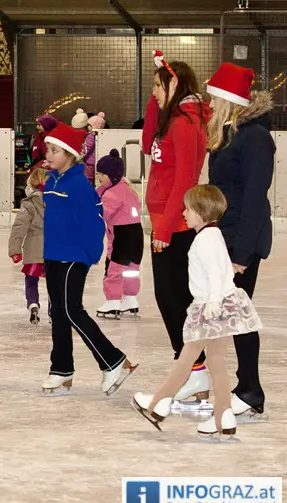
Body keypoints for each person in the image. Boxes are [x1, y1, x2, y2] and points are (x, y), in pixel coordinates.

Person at [132, 185, 262, 439]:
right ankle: (223, 415)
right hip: (224, 305)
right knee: (215, 361)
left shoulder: (204, 239)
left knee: (187, 357)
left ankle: (158, 403)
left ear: (201, 212)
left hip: (213, 308)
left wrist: (212, 301)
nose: (184, 214)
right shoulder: (213, 235)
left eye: (189, 209)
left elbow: (214, 272)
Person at [38, 123, 138, 396]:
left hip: (73, 258)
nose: (49, 153)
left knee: (72, 310)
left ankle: (114, 361)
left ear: (70, 154)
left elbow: (93, 223)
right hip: (54, 256)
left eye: (55, 150)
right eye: (49, 148)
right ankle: (61, 369)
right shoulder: (51, 181)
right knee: (57, 313)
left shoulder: (79, 184)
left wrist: (90, 254)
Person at [206, 63, 274, 423]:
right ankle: (244, 386)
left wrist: (242, 255)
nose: (209, 102)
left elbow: (254, 199)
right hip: (226, 238)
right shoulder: (228, 135)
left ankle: (250, 389)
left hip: (242, 242)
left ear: (227, 99)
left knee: (239, 316)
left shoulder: (255, 137)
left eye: (213, 96)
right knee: (233, 316)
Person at [143, 52, 212, 411]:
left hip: (176, 225)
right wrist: (158, 102)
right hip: (162, 222)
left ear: (174, 85)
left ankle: (194, 372)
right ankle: (191, 373)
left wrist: (166, 228)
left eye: (157, 86)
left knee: (175, 300)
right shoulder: (172, 119)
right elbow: (146, 147)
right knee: (167, 299)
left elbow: (185, 179)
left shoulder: (186, 124)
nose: (153, 92)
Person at [95, 149, 144, 319]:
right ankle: (130, 298)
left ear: (112, 175)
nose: (99, 177)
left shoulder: (112, 193)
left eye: (102, 174)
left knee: (114, 268)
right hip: (137, 235)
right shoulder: (128, 189)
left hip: (122, 236)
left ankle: (113, 301)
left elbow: (103, 213)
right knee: (131, 269)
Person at [8, 167, 47, 325]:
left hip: (33, 249)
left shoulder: (28, 204)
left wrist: (15, 250)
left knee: (31, 280)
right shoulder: (57, 201)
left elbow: (19, 227)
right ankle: (54, 310)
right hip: (54, 249)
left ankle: (33, 304)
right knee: (54, 283)